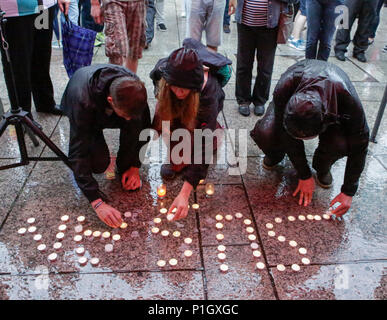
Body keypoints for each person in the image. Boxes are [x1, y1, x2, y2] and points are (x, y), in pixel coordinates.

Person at [250, 59, 369, 217]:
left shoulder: (347, 98)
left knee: (340, 144)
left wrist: (348, 191)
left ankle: (323, 165)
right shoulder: (285, 87)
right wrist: (304, 174)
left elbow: (360, 144)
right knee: (266, 132)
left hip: (335, 107)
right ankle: (275, 154)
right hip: (293, 99)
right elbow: (283, 128)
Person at [60, 64, 151, 228]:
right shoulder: (82, 103)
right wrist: (96, 202)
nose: (128, 119)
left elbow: (144, 129)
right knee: (99, 163)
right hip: (85, 106)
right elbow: (77, 154)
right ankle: (99, 142)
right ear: (110, 101)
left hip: (109, 105)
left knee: (135, 125)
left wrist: (134, 166)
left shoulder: (135, 92)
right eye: (125, 115)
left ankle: (124, 166)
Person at [150, 41, 230, 221]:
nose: (178, 92)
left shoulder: (209, 94)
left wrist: (185, 193)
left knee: (200, 137)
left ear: (193, 86)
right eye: (174, 86)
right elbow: (155, 79)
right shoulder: (162, 71)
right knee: (175, 149)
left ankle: (218, 131)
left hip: (200, 107)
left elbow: (205, 146)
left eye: (183, 88)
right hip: (181, 102)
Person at [0, 0, 68, 116]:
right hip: (14, 12)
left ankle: (45, 103)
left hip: (43, 7)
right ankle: (22, 113)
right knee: (18, 64)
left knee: (42, 56)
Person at [229, 0, 285, 117]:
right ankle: (243, 100)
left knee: (265, 67)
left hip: (270, 25)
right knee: (243, 65)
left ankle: (260, 100)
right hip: (245, 23)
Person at [91, 0, 146, 72]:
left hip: (138, 3)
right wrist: (94, 3)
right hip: (113, 2)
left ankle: (130, 81)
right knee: (117, 50)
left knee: (134, 51)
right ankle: (115, 81)